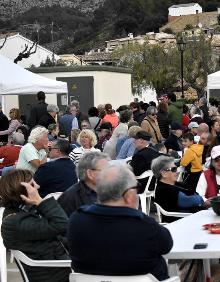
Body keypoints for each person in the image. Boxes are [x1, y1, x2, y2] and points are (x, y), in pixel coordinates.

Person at [67, 163, 173, 280]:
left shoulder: (76, 220)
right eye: (136, 187)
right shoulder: (146, 226)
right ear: (128, 195)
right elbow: (167, 245)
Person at [0, 169, 71, 282]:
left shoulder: (23, 212)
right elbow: (62, 224)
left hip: (60, 268)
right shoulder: (14, 222)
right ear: (23, 191)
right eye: (33, 185)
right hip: (56, 274)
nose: (37, 186)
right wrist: (39, 201)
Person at [152, 156, 204, 222]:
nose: (177, 172)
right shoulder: (164, 190)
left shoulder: (175, 184)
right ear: (164, 173)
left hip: (191, 217)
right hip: (180, 222)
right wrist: (201, 199)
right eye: (173, 169)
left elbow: (193, 193)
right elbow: (188, 201)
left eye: (176, 169)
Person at [58, 151, 109, 217]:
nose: (110, 173)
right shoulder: (71, 198)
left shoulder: (109, 191)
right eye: (106, 170)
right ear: (90, 174)